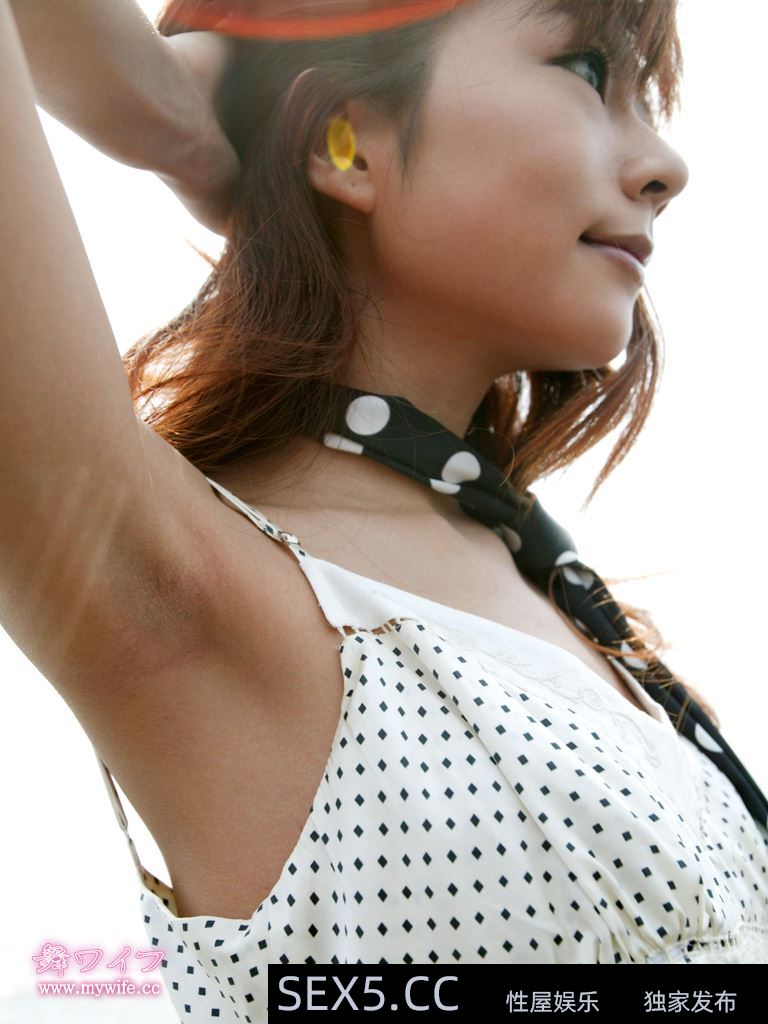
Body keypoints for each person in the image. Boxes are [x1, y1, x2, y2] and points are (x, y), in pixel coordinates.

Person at [2, 0, 767, 1019]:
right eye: (588, 71)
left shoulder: (577, 614)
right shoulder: (186, 592)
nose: (668, 165)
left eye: (648, 98)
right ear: (346, 142)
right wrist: (177, 107)